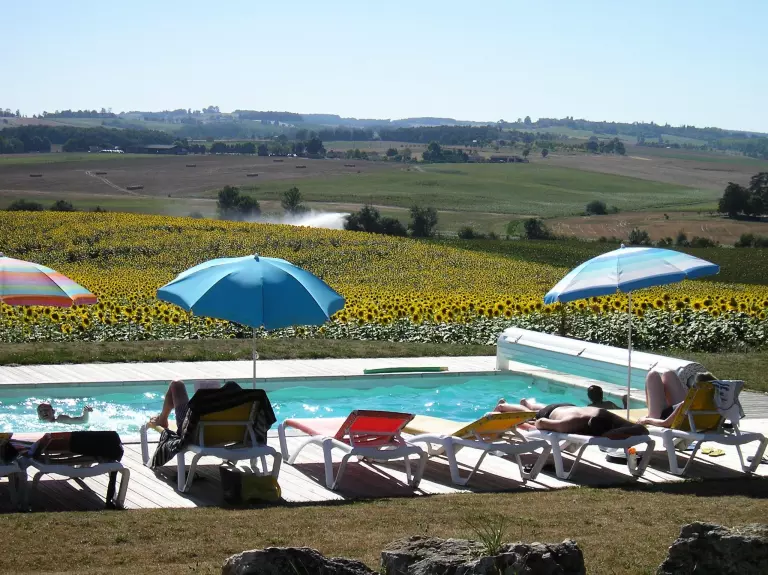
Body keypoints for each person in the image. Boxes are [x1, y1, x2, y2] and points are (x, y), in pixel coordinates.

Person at [494, 398, 647, 438]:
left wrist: (612, 433)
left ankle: (529, 403)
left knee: (538, 409)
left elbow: (642, 429)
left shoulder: (604, 414)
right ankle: (504, 406)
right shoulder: (569, 424)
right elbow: (541, 422)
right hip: (552, 412)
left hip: (568, 407)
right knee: (531, 415)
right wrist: (533, 425)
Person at [638, 370, 716, 428]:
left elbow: (665, 423)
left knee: (652, 375)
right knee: (669, 374)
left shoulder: (685, 405)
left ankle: (650, 415)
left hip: (661, 418)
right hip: (692, 418)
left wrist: (646, 420)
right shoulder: (717, 403)